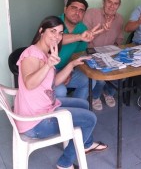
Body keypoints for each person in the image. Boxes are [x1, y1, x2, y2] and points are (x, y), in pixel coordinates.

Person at [14, 16, 107, 169]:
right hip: (35, 122)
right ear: (41, 31)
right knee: (90, 119)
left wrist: (71, 64)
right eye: (53, 31)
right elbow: (29, 83)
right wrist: (48, 64)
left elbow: (54, 82)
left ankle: (86, 143)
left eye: (60, 33)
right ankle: (65, 163)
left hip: (44, 107)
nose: (57, 36)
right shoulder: (31, 54)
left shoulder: (45, 52)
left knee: (83, 104)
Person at [83, 0, 124, 111]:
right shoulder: (91, 13)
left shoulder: (120, 18)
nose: (112, 6)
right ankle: (95, 97)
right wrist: (101, 29)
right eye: (109, 2)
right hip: (91, 53)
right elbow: (83, 39)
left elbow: (120, 39)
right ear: (103, 2)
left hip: (110, 54)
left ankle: (108, 93)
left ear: (119, 5)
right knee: (100, 78)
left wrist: (114, 50)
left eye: (115, 3)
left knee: (122, 75)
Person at [55, 0, 101, 100]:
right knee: (60, 91)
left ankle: (77, 109)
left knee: (90, 81)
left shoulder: (82, 28)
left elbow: (76, 55)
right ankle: (58, 114)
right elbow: (55, 39)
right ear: (65, 9)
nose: (77, 13)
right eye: (74, 8)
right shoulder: (54, 23)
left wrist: (69, 71)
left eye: (81, 10)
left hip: (66, 67)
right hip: (48, 70)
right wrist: (79, 36)